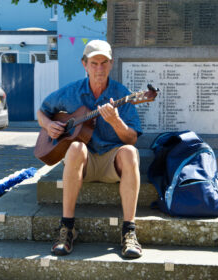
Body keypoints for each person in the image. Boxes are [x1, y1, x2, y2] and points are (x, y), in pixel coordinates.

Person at [37, 40, 143, 259]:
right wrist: (49, 125)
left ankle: (129, 231)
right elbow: (43, 111)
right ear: (84, 64)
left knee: (131, 153)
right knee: (75, 146)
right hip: (83, 162)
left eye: (104, 63)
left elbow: (132, 138)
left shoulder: (122, 94)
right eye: (94, 63)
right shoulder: (72, 91)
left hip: (111, 160)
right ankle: (67, 228)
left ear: (111, 64)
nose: (99, 69)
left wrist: (116, 122)